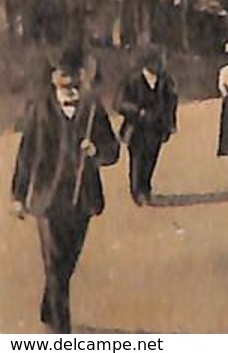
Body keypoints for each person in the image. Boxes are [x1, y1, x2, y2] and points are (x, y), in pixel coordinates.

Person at [9, 47, 122, 334]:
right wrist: (18, 196)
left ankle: (50, 308)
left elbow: (113, 151)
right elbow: (26, 154)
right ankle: (61, 329)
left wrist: (96, 150)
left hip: (82, 200)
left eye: (74, 80)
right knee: (55, 263)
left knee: (66, 264)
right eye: (63, 78)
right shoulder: (40, 110)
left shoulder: (92, 110)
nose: (69, 86)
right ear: (53, 79)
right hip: (48, 200)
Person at [113, 48, 178, 205]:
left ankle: (146, 188)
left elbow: (172, 102)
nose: (160, 64)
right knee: (137, 159)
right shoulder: (131, 80)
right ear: (147, 63)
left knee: (151, 158)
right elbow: (118, 104)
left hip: (156, 127)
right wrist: (138, 111)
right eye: (156, 62)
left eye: (160, 61)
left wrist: (171, 123)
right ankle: (137, 192)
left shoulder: (166, 81)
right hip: (137, 128)